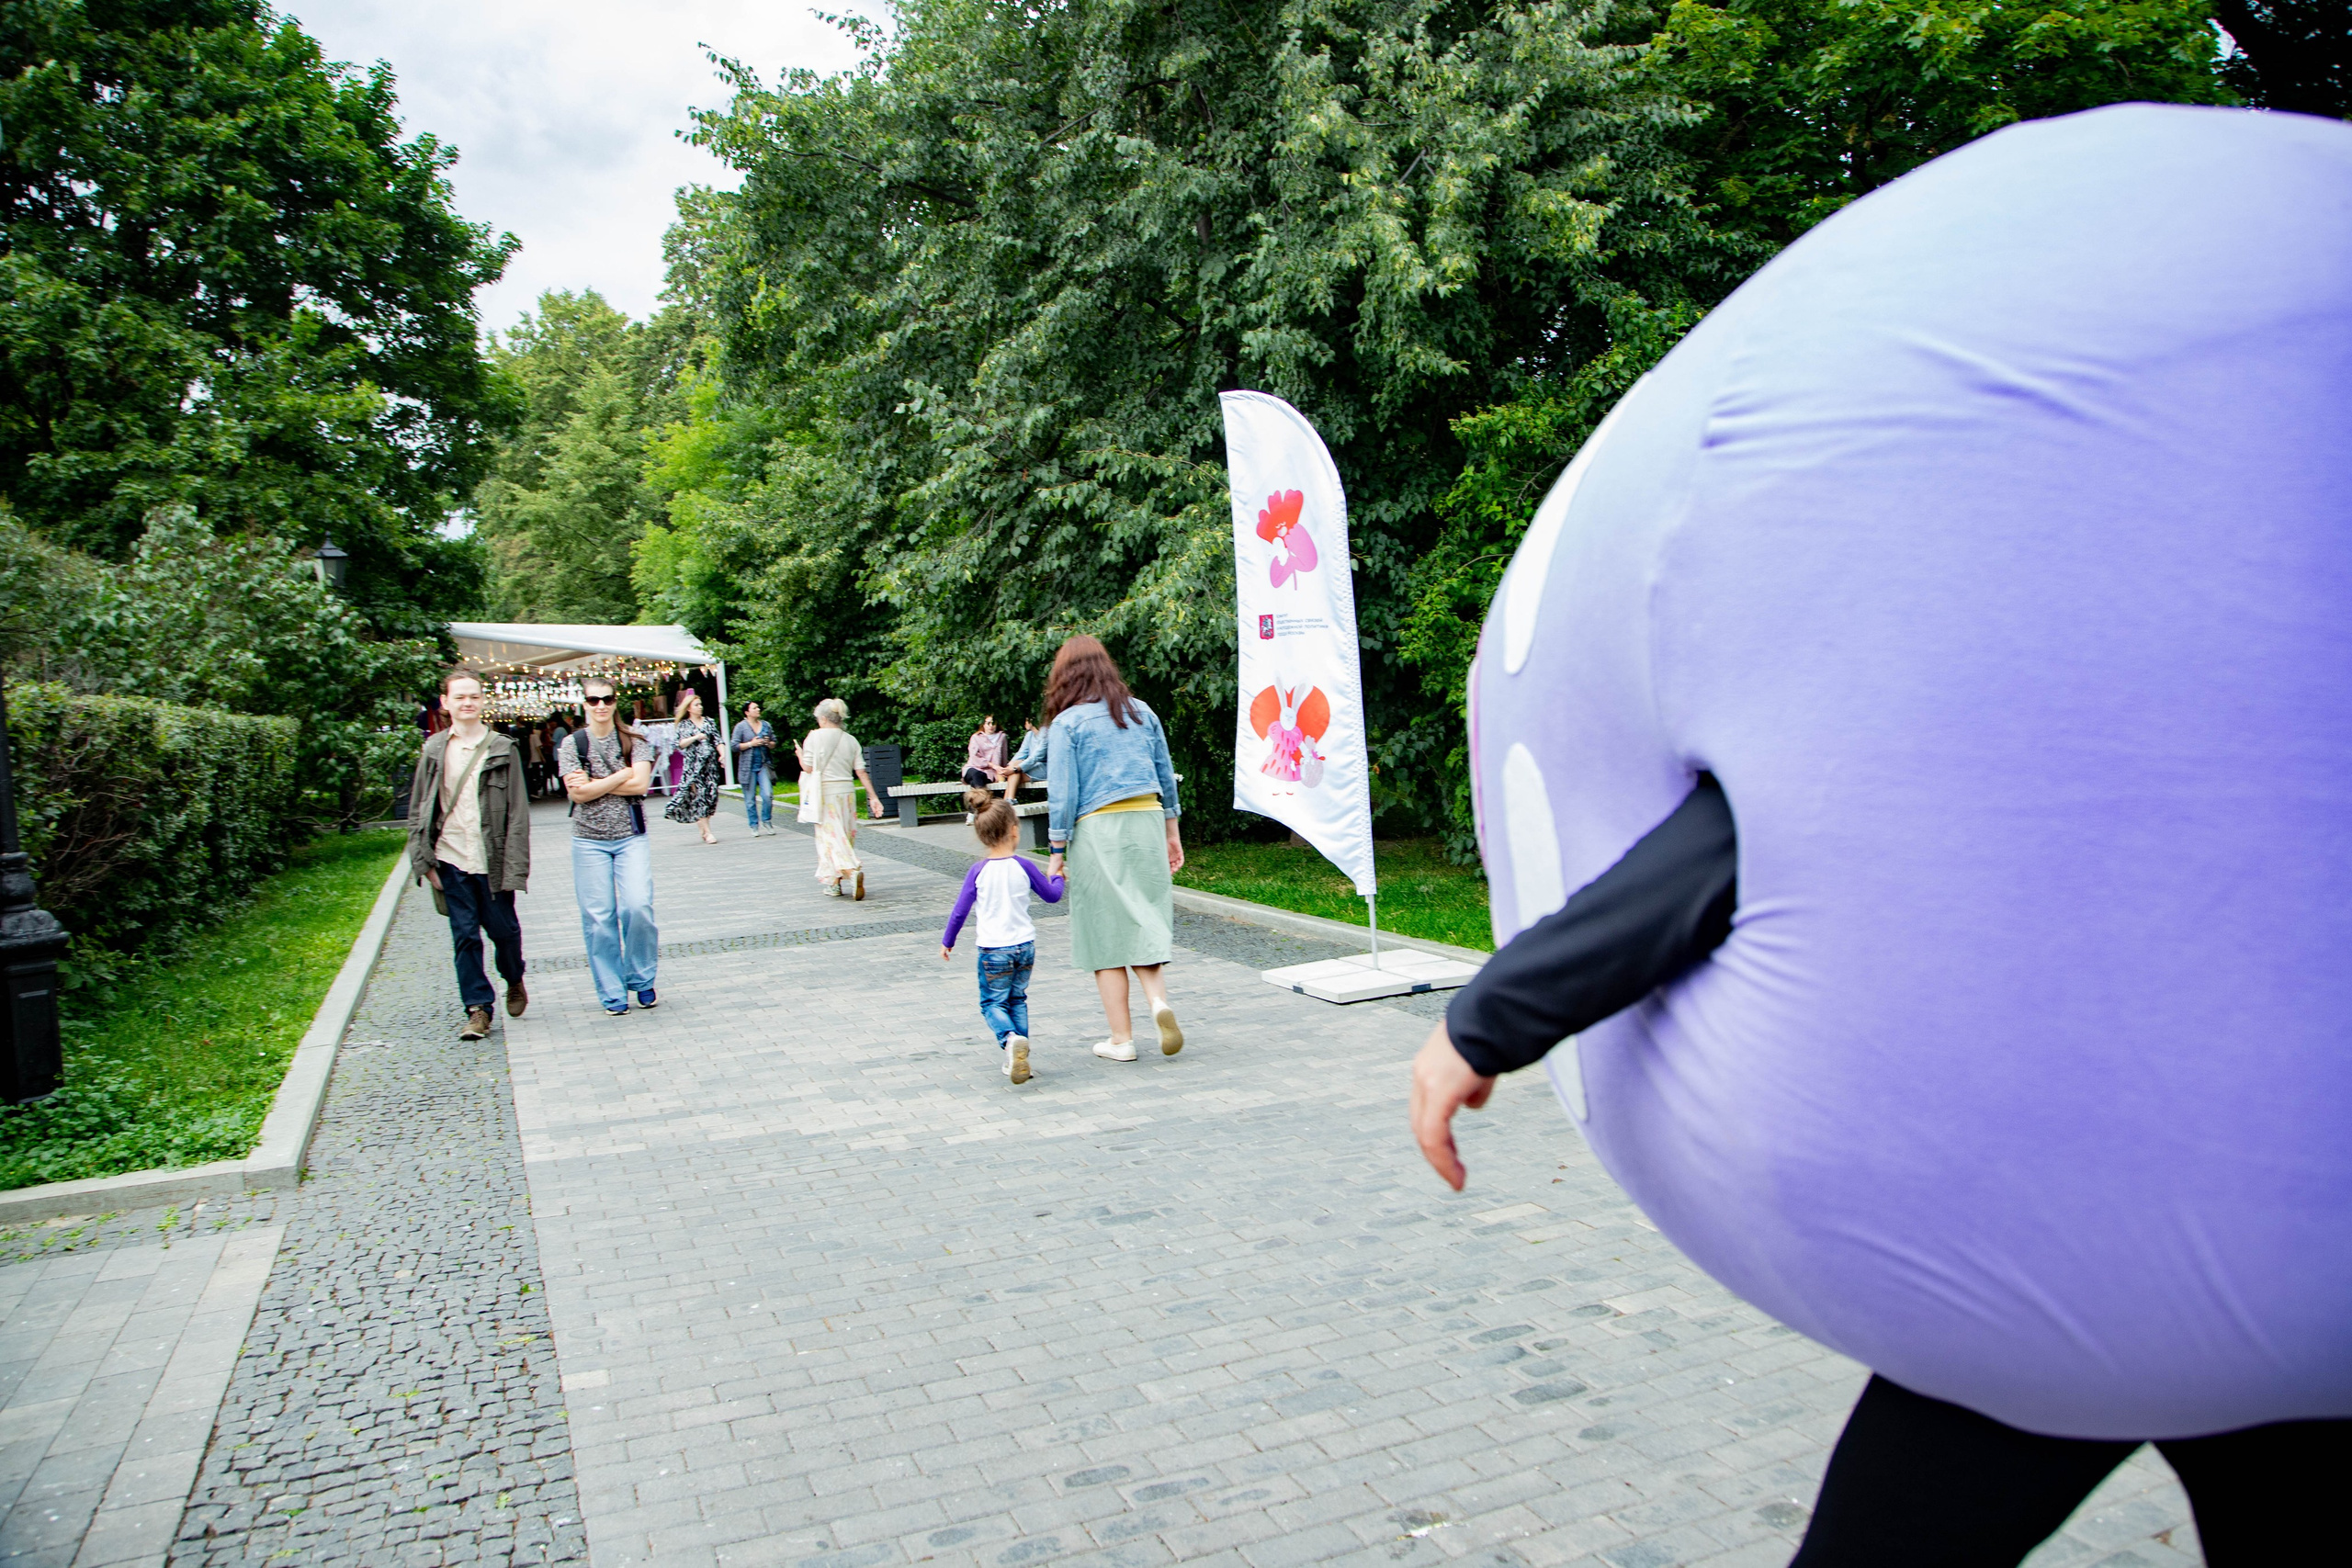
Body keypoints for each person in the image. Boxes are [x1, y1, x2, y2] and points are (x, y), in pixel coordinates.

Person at [1041, 635, 1184, 1062]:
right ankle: (1157, 1001)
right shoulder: (1142, 711)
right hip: (1147, 818)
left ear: (1065, 674)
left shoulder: (1067, 723)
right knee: (1143, 916)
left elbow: (1063, 792)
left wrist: (1056, 850)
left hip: (1097, 826)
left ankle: (1121, 1040)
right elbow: (1165, 774)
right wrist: (1172, 831)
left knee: (1103, 931)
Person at [406, 667, 531, 1041]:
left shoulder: (502, 748)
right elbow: (419, 808)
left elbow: (518, 813)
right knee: (465, 936)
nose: (467, 702)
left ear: (482, 701)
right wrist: (423, 861)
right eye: (459, 697)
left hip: (491, 860)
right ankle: (478, 1009)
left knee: (505, 933)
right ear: (445, 703)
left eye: (473, 696)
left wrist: (515, 868)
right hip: (450, 858)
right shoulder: (433, 749)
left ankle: (513, 977)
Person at [941, 790, 1066, 1085]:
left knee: (992, 1004)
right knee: (1017, 999)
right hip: (1025, 946)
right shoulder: (1024, 865)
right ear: (1014, 830)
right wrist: (1057, 876)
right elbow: (1052, 896)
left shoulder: (978, 871)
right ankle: (1021, 1057)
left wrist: (948, 941)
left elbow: (960, 912)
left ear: (982, 835)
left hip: (993, 949)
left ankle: (1010, 1040)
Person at [559, 675, 659, 1016]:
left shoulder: (634, 739)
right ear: (584, 704)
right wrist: (621, 776)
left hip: (631, 835)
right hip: (588, 840)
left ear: (616, 701)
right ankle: (612, 991)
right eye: (593, 700)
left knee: (638, 906)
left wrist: (595, 783)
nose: (600, 705)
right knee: (599, 918)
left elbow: (641, 785)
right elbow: (577, 794)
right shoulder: (572, 744)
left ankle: (642, 978)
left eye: (607, 699)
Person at [796, 697, 885, 898]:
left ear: (823, 718)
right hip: (847, 794)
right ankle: (834, 883)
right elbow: (861, 771)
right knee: (843, 835)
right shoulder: (851, 740)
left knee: (829, 838)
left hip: (825, 794)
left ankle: (852, 872)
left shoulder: (814, 737)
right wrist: (873, 797)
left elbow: (807, 768)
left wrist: (800, 754)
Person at [663, 689, 724, 844]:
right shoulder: (684, 725)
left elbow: (718, 740)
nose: (700, 707)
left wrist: (722, 754)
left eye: (700, 704)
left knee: (711, 796)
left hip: (710, 766)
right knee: (701, 796)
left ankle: (703, 827)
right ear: (689, 708)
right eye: (696, 705)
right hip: (694, 767)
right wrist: (696, 737)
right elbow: (681, 744)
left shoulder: (709, 722)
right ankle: (708, 832)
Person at [732, 702, 778, 835]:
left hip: (763, 764)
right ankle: (753, 825)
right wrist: (751, 744)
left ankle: (766, 820)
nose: (758, 709)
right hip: (747, 767)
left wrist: (768, 743)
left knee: (768, 795)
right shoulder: (741, 727)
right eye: (754, 708)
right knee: (750, 799)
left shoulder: (766, 725)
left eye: (758, 707)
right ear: (747, 712)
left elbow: (774, 742)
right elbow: (734, 746)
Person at [962, 716, 1008, 788]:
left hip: (990, 773)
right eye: (988, 723)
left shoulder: (1002, 737)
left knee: (975, 781)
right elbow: (974, 757)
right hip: (974, 768)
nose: (991, 726)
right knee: (976, 775)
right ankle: (982, 794)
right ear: (983, 724)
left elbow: (1004, 756)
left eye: (993, 723)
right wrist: (992, 765)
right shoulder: (976, 737)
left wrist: (1002, 770)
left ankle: (980, 795)